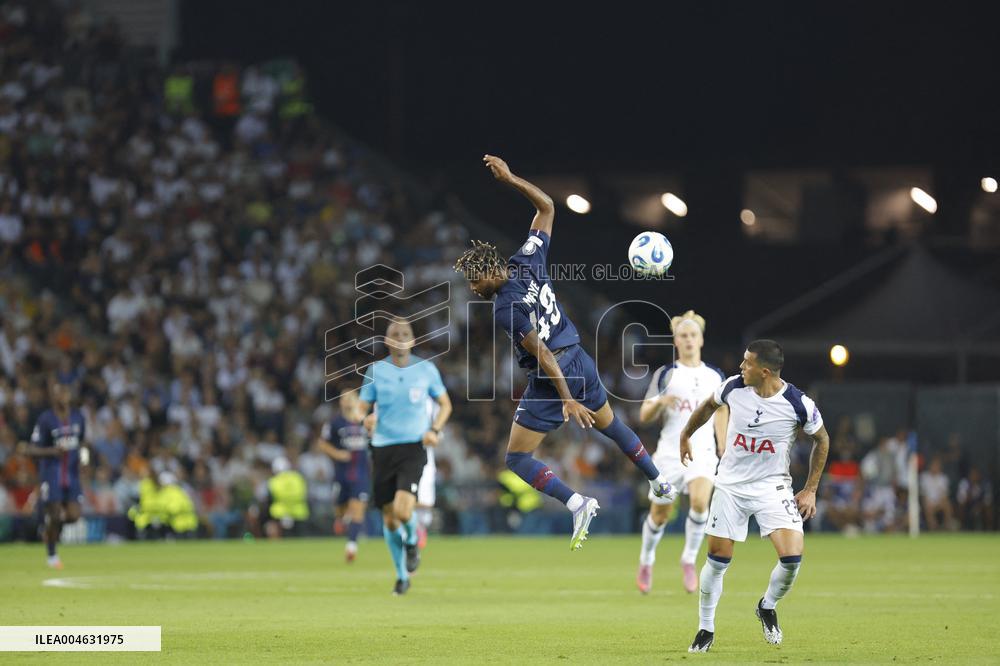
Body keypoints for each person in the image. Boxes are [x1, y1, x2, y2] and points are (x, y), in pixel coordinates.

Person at [453, 155, 677, 552]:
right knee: (610, 424)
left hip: (555, 372)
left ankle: (577, 503)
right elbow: (547, 206)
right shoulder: (527, 260)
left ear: (489, 271)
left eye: (474, 280)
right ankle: (658, 480)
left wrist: (567, 397)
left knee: (517, 459)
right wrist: (511, 179)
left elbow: (539, 351)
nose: (473, 288)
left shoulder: (505, 308)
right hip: (579, 356)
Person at [678, 340, 829, 653]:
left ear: (763, 371)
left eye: (746, 363)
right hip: (731, 486)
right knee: (718, 561)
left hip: (772, 487)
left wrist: (811, 488)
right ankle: (706, 628)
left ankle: (767, 606)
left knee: (791, 559)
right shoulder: (734, 388)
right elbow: (708, 406)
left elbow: (822, 439)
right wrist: (685, 434)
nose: (740, 368)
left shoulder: (798, 403)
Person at [635, 310, 728, 594]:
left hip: (703, 451)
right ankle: (646, 560)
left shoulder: (715, 376)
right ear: (676, 341)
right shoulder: (666, 374)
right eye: (683, 335)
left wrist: (723, 447)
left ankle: (688, 560)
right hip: (668, 454)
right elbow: (643, 414)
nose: (688, 340)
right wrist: (661, 401)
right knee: (660, 514)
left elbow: (722, 408)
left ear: (701, 340)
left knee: (701, 503)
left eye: (693, 335)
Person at [358, 319, 453, 596]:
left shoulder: (426, 370)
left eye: (405, 334)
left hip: (413, 446)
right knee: (389, 520)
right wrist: (366, 418)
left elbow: (445, 404)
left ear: (413, 341)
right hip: (382, 447)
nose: (400, 337)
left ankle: (412, 541)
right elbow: (362, 408)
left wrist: (435, 429)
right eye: (394, 334)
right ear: (387, 341)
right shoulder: (376, 371)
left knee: (402, 511)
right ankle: (402, 577)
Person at [19, 381, 88, 568]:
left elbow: (83, 442)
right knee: (55, 515)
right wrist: (52, 451)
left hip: (72, 474)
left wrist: (85, 458)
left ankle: (49, 528)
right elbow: (32, 449)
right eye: (58, 393)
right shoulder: (46, 419)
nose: (62, 396)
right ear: (53, 397)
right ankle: (52, 555)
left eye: (65, 393)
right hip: (52, 474)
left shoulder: (78, 417)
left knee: (74, 515)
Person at [317, 390, 371, 562]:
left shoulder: (366, 421)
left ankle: (351, 546)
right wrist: (338, 454)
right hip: (342, 474)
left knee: (358, 509)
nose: (346, 401)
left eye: (350, 397)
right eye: (343, 398)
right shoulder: (335, 423)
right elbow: (322, 443)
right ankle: (343, 519)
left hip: (362, 474)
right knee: (340, 510)